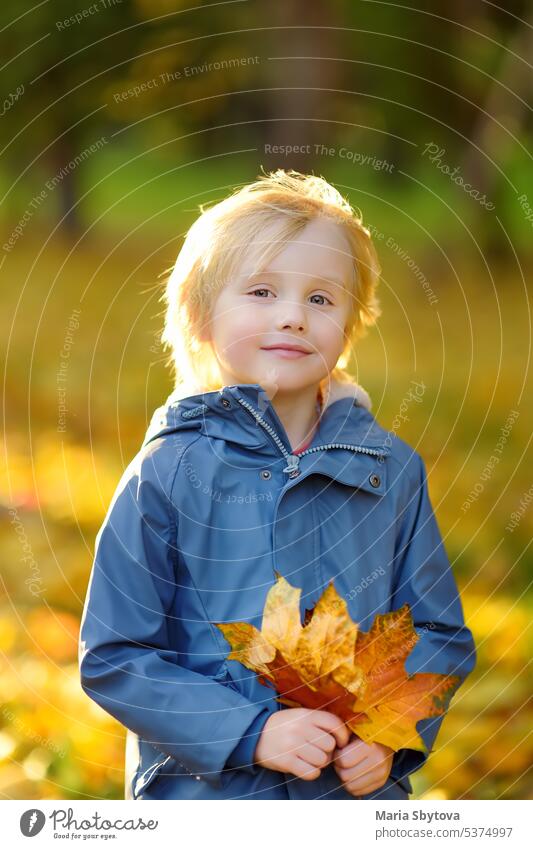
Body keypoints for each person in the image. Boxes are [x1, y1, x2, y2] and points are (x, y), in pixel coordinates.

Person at [79, 169, 476, 800]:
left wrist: (390, 737)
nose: (293, 317)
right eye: (262, 291)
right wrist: (246, 732)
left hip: (348, 802)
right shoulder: (169, 470)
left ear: (350, 323)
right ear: (201, 318)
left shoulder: (392, 471)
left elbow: (436, 634)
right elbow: (117, 654)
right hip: (207, 802)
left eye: (321, 299)